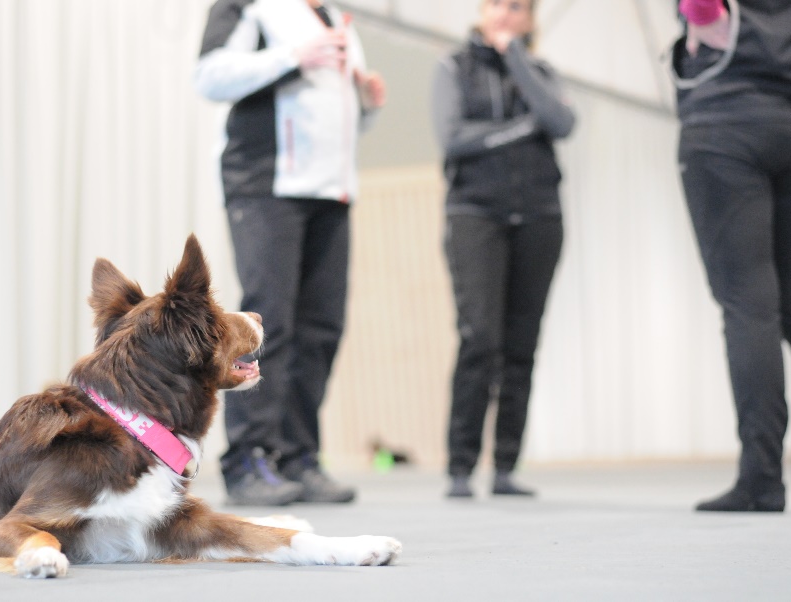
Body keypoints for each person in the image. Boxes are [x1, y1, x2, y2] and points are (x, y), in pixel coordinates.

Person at [194, 0, 386, 506]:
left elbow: (328, 117)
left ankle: (299, 457)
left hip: (331, 193)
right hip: (266, 185)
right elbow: (209, 76)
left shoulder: (336, 20)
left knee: (321, 329)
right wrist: (294, 55)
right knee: (267, 324)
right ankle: (248, 459)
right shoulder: (252, 8)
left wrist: (367, 105)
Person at [671, 0, 791, 511]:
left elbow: (700, 6)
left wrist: (706, 25)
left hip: (729, 118)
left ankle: (762, 477)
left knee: (748, 305)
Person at [431, 0, 575, 498]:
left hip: (540, 217)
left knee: (521, 345)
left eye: (517, 7)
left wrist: (516, 58)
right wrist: (522, 129)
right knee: (480, 340)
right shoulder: (454, 67)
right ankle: (461, 466)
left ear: (530, 19)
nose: (505, 14)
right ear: (481, 10)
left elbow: (561, 122)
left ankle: (506, 466)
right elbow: (453, 139)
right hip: (475, 215)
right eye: (496, 4)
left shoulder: (540, 71)